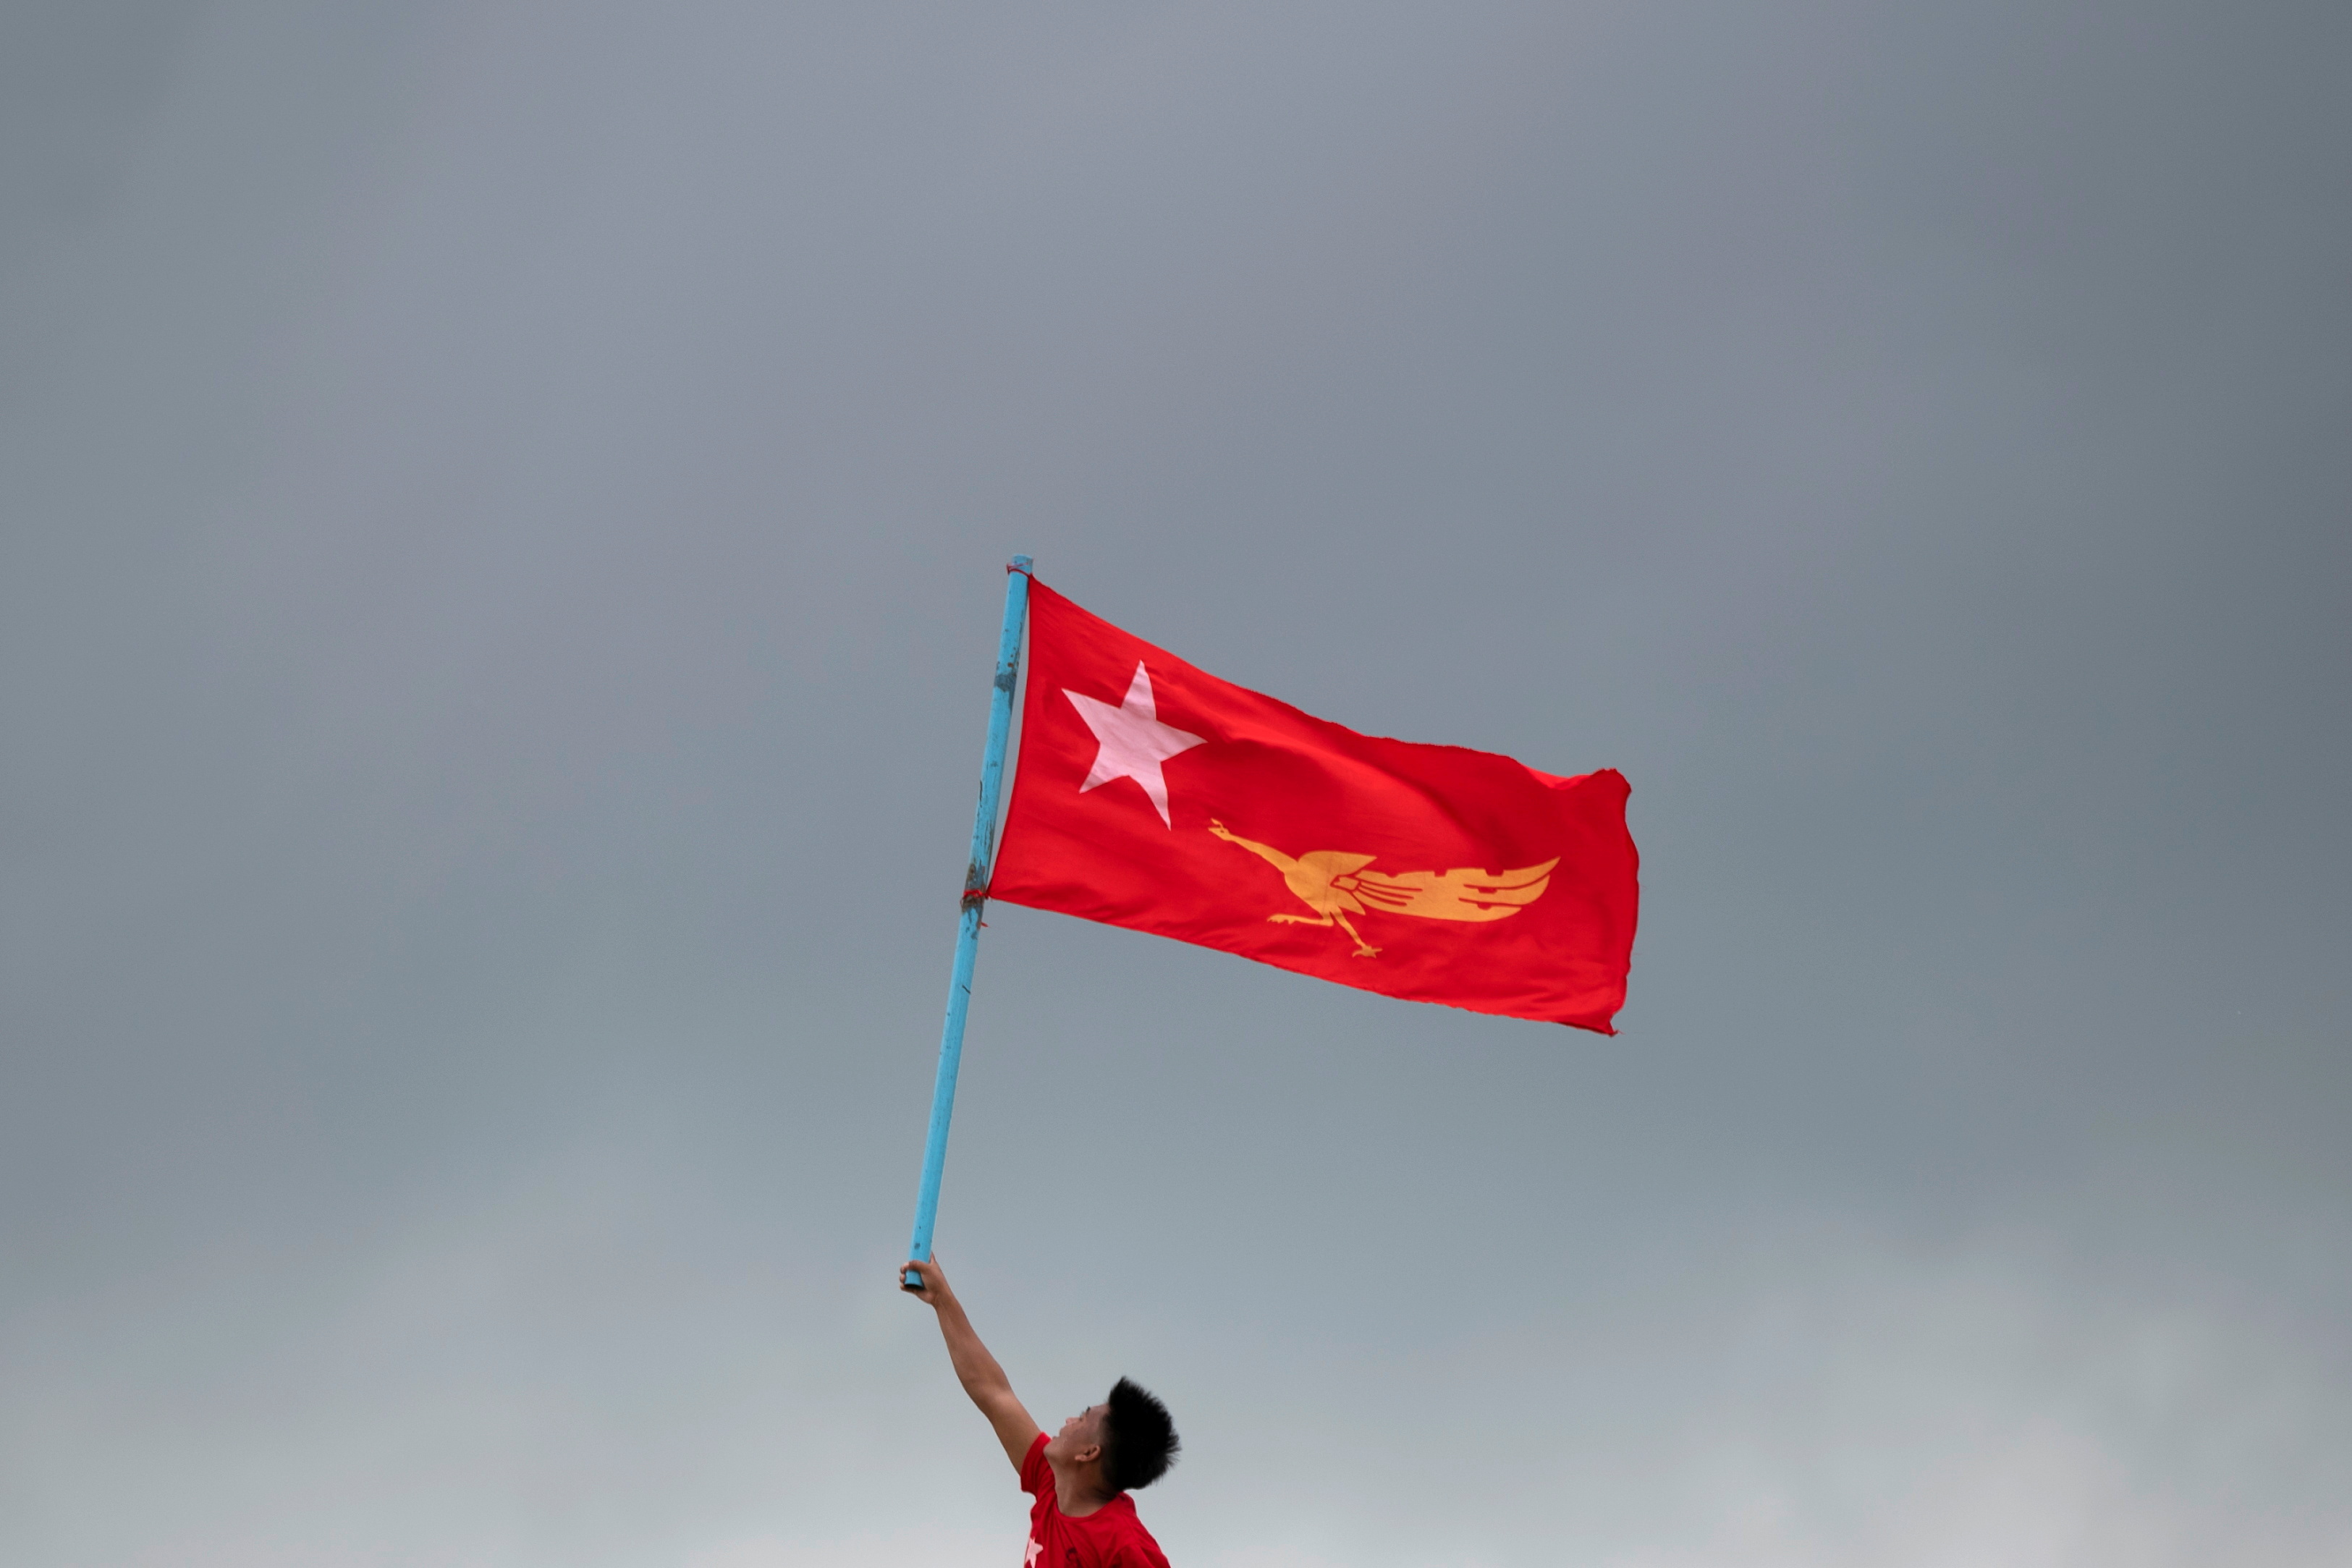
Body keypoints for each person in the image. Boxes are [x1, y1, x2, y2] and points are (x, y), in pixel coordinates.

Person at [902, 1255, 1178, 1567]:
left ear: (1089, 1453)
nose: (1069, 1420)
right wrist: (942, 1299)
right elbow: (993, 1393)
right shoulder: (1051, 1483)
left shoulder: (1121, 1542)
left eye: (1084, 1418)